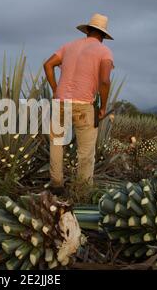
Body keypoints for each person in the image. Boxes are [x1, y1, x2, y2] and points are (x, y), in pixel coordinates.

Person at [43, 13, 115, 196]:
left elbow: (48, 65)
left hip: (61, 103)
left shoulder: (68, 46)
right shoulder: (104, 52)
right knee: (85, 151)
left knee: (57, 143)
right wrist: (103, 107)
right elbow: (105, 81)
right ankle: (82, 192)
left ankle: (56, 184)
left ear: (88, 30)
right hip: (84, 105)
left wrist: (55, 89)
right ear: (103, 36)